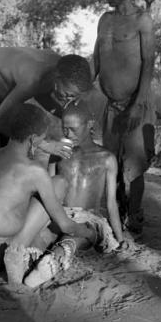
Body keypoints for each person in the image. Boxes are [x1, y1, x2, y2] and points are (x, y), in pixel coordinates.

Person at [0, 103, 98, 285]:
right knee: (59, 184)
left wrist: (42, 144)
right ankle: (17, 256)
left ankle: (21, 246)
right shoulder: (33, 171)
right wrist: (88, 233)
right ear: (34, 139)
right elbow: (66, 226)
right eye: (42, 138)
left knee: (21, 200)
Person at [92, 0, 156, 234]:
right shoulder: (105, 20)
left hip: (135, 105)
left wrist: (137, 105)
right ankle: (116, 209)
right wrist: (81, 89)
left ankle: (135, 214)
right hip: (110, 106)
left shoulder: (142, 20)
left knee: (135, 166)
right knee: (111, 161)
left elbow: (149, 63)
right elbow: (96, 58)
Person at [0, 48, 93, 161]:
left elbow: (44, 97)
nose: (69, 99)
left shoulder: (62, 68)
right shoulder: (33, 79)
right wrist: (45, 145)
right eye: (68, 94)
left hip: (1, 91)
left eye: (74, 96)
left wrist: (81, 125)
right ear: (57, 79)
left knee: (13, 151)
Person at [52, 101, 126, 246]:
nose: (68, 134)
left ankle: (49, 264)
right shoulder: (59, 153)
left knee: (69, 242)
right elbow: (49, 192)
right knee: (39, 238)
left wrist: (120, 238)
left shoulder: (106, 158)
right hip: (60, 216)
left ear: (90, 124)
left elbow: (111, 203)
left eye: (74, 129)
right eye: (65, 129)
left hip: (88, 220)